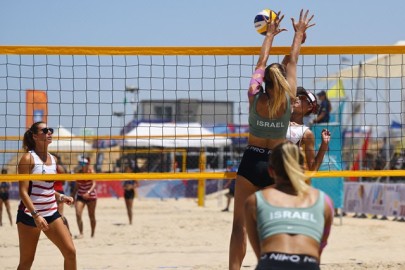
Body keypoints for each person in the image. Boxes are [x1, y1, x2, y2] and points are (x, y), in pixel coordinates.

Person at [229, 9, 315, 270]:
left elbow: (261, 61)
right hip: (277, 165)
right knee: (277, 225)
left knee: (239, 226)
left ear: (264, 82)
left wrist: (268, 36)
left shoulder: (254, 95)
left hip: (251, 160)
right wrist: (298, 34)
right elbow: (292, 61)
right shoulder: (289, 100)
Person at [245, 142, 334, 270]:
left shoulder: (255, 200)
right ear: (303, 168)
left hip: (271, 261)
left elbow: (260, 253)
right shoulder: (324, 201)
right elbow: (319, 248)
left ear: (271, 171)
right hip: (307, 263)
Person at [17, 121, 76, 269]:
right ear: (35, 136)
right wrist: (36, 215)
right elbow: (23, 192)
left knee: (70, 252)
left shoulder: (53, 159)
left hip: (51, 213)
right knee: (26, 262)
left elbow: (47, 189)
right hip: (30, 215)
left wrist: (61, 197)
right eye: (45, 131)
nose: (49, 132)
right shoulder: (28, 159)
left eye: (50, 130)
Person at [287, 87, 331, 171]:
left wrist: (324, 145)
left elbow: (313, 169)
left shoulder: (306, 133)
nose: (297, 98)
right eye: (297, 96)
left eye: (302, 98)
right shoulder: (278, 119)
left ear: (310, 106)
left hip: (285, 177)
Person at [73, 156, 97, 238]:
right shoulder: (78, 173)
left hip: (91, 196)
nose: (82, 165)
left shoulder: (91, 171)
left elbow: (94, 184)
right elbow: (76, 186)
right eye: (81, 163)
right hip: (81, 195)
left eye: (84, 163)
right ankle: (81, 233)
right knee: (78, 214)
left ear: (87, 164)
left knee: (91, 216)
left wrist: (88, 192)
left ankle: (92, 234)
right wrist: (72, 196)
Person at [53, 154, 72, 233]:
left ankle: (68, 232)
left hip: (57, 191)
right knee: (54, 214)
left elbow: (64, 181)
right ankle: (62, 232)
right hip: (52, 192)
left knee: (60, 215)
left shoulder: (59, 168)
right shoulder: (48, 168)